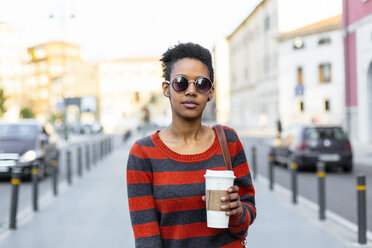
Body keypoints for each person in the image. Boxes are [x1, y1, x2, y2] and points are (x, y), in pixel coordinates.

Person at [126, 42, 256, 247]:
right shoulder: (143, 153)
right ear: (166, 89)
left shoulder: (228, 141)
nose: (191, 91)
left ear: (211, 92)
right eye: (181, 82)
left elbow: (247, 214)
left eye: (202, 84)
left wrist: (237, 211)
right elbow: (146, 240)